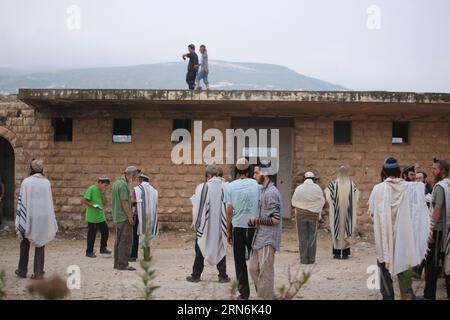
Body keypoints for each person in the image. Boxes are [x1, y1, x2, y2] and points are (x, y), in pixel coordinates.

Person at [369, 157, 430, 300]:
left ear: (384, 171)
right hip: (404, 239)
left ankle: (388, 297)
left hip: (384, 239)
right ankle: (407, 296)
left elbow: (372, 214)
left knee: (384, 268)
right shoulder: (411, 188)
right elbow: (419, 211)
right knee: (404, 270)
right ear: (399, 171)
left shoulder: (377, 189)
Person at [15, 159, 58, 279]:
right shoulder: (46, 183)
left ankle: (22, 270)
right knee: (41, 243)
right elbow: (48, 202)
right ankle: (38, 272)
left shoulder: (26, 182)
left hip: (29, 216)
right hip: (43, 216)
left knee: (24, 243)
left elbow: (22, 200)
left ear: (31, 169)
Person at [187, 164, 230, 283]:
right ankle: (223, 275)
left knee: (200, 246)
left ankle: (196, 275)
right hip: (220, 225)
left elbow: (197, 207)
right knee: (220, 247)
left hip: (205, 225)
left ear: (209, 175)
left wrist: (195, 222)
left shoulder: (202, 187)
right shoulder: (225, 187)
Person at [226, 158, 260, 300]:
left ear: (236, 170)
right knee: (256, 259)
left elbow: (229, 211)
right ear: (249, 170)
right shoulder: (256, 185)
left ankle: (244, 293)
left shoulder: (230, 186)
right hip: (253, 227)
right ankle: (261, 289)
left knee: (239, 261)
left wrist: (228, 231)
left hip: (238, 227)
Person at [249, 164, 282, 300]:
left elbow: (276, 219)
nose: (254, 176)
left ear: (265, 174)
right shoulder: (263, 191)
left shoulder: (271, 193)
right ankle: (267, 294)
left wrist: (256, 221)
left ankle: (265, 298)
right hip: (260, 236)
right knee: (253, 269)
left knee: (265, 271)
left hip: (268, 238)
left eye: (256, 173)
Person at [422, 159, 450, 300]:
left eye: (435, 169)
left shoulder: (440, 187)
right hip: (446, 230)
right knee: (446, 263)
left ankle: (429, 295)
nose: (432, 171)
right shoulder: (448, 184)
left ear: (442, 171)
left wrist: (430, 230)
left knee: (431, 265)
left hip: (438, 231)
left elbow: (437, 209)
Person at [324, 166, 359, 260]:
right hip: (347, 213)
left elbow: (328, 195)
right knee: (345, 230)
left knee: (337, 230)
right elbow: (356, 197)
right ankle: (345, 253)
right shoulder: (351, 184)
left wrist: (334, 204)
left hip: (336, 212)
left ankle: (337, 253)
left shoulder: (333, 184)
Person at [291, 171, 325, 265]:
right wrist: (315, 208)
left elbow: (293, 201)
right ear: (313, 179)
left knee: (302, 237)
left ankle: (303, 259)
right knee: (312, 237)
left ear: (304, 178)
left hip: (301, 215)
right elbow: (322, 201)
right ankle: (311, 260)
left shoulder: (299, 188)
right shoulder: (317, 188)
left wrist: (302, 206)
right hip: (313, 215)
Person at [112, 166, 138, 271]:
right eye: (135, 175)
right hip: (124, 217)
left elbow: (120, 200)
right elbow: (124, 202)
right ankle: (123, 264)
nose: (135, 178)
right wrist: (130, 217)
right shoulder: (123, 185)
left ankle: (117, 263)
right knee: (126, 241)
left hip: (117, 216)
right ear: (130, 174)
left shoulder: (116, 183)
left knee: (118, 241)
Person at [130, 174, 158, 262]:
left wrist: (134, 203)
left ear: (141, 180)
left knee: (135, 235)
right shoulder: (154, 190)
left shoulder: (137, 189)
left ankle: (133, 256)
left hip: (138, 215)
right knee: (147, 235)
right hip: (150, 216)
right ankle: (146, 256)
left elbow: (133, 201)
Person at [83, 176, 112, 258]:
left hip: (100, 216)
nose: (105, 187)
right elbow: (85, 200)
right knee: (92, 234)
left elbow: (105, 203)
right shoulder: (91, 189)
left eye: (106, 186)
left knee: (105, 232)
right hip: (92, 216)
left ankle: (103, 248)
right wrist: (93, 205)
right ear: (99, 182)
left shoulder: (103, 191)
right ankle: (89, 251)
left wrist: (103, 193)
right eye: (104, 185)